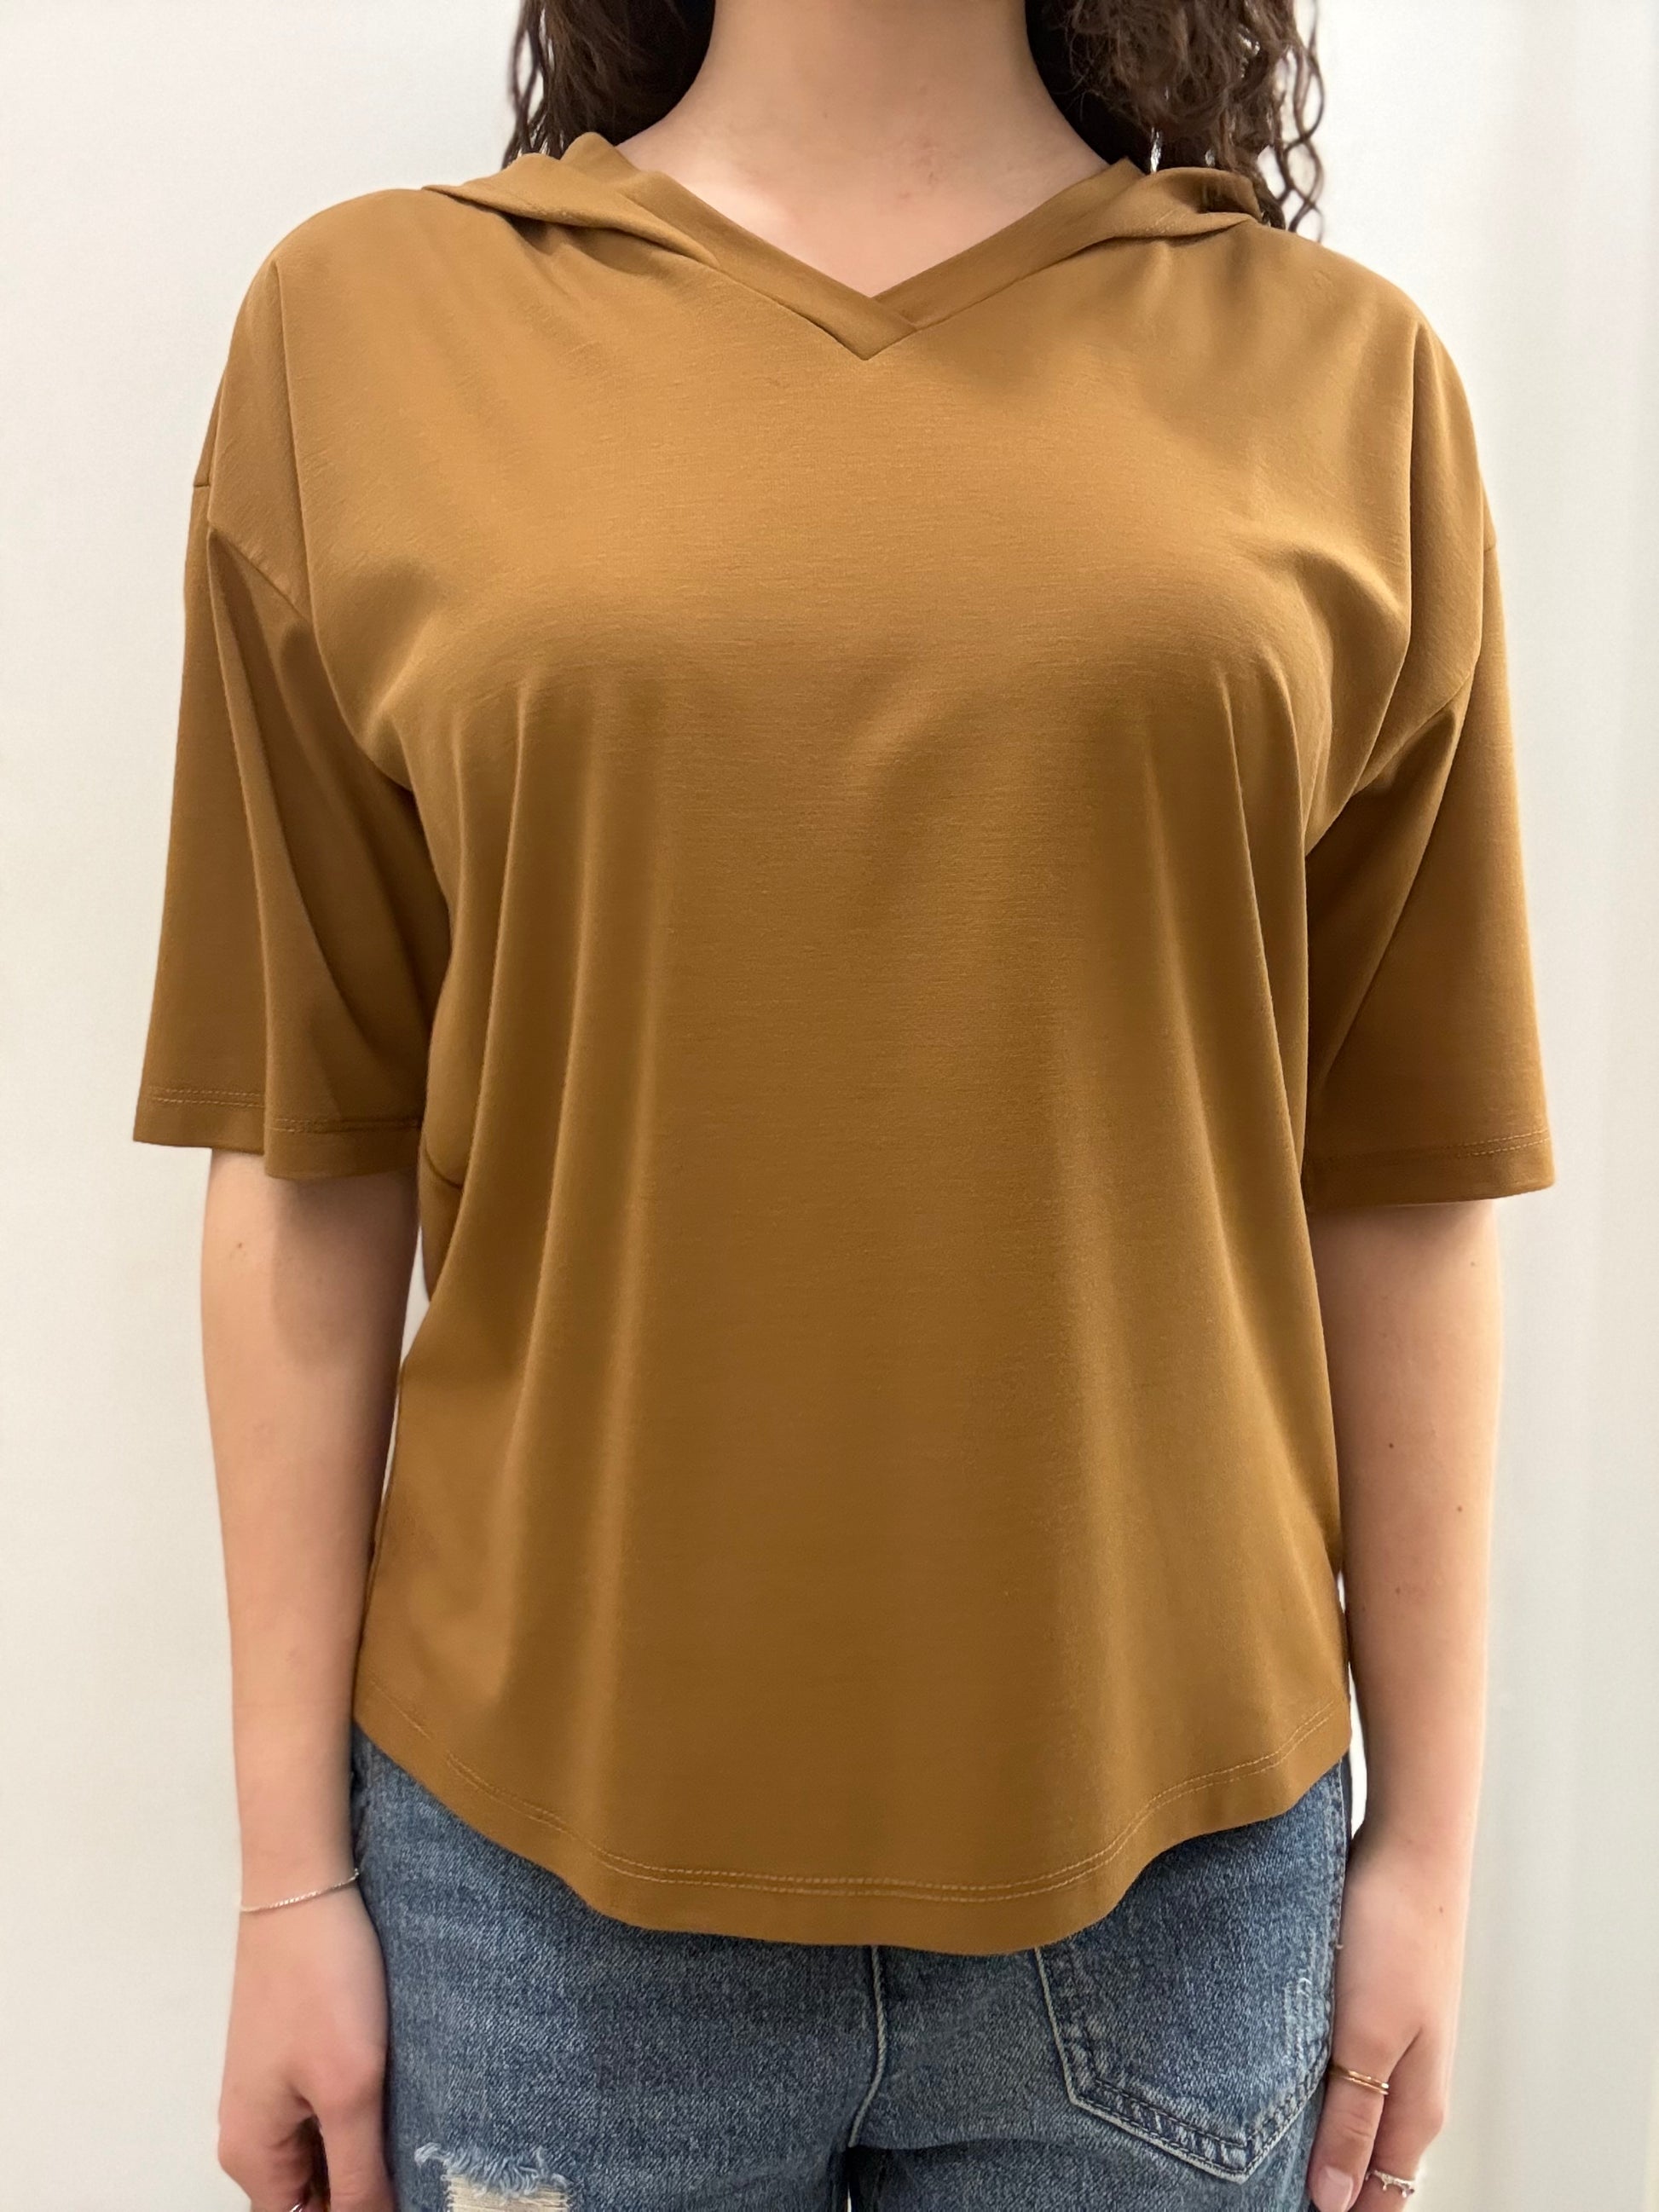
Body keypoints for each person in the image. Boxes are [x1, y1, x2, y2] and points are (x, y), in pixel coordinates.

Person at [131, 2, 1557, 2207]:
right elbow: (305, 1152)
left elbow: (1402, 1172)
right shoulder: (367, 334)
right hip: (531, 1896)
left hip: (1179, 1890)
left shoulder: (1344, 381)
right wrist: (285, 1878)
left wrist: (1432, 1852)